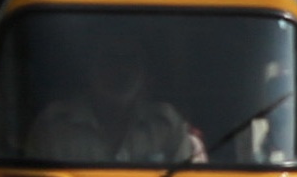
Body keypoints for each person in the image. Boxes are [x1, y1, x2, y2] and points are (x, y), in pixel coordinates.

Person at [25, 32, 204, 168]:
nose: (121, 71)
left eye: (130, 60)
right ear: (89, 70)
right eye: (110, 60)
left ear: (146, 74)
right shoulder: (54, 126)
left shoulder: (167, 124)